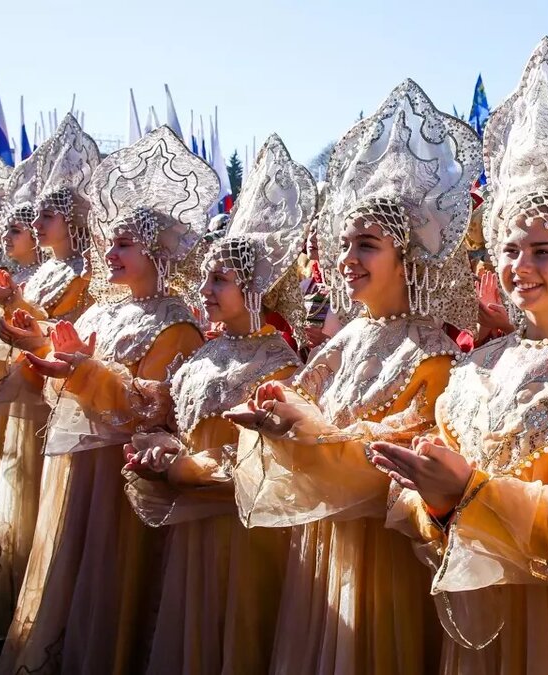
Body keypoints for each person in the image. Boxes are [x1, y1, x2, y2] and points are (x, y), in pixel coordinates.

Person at [371, 37, 548, 675]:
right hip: (473, 620)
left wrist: (473, 493)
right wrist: (439, 501)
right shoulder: (474, 368)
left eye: (542, 251)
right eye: (508, 249)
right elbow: (425, 498)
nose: (519, 267)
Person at [227, 80, 480, 675]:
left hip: (382, 557)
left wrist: (299, 426)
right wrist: (275, 414)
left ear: (409, 258)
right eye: (344, 244)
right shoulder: (341, 341)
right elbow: (302, 406)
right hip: (322, 545)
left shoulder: (436, 355)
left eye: (366, 244)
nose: (346, 260)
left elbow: (400, 464)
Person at [0, 125, 214, 675]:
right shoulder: (103, 308)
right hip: (79, 467)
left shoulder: (178, 323)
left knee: (112, 583)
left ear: (156, 251)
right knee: (72, 573)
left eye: (123, 244)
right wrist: (40, 345)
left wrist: (86, 370)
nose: (109, 253)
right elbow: (71, 353)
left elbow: (157, 407)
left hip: (120, 477)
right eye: (110, 242)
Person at [109, 134, 314, 674]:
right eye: (206, 277)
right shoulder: (209, 350)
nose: (204, 289)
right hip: (191, 524)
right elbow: (177, 418)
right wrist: (159, 448)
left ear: (258, 288)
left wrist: (192, 469)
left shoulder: (282, 364)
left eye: (220, 279)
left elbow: (277, 468)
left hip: (243, 533)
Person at [0, 157, 45, 639]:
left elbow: (48, 331)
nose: (24, 233)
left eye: (23, 226)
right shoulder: (29, 274)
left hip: (33, 400)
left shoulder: (65, 276)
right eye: (24, 224)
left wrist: (10, 306)